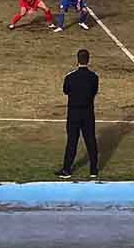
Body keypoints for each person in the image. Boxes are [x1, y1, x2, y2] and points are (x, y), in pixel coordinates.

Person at [57, 49, 99, 180]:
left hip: (74, 113)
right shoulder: (94, 77)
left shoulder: (70, 77)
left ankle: (67, 169)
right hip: (88, 113)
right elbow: (94, 92)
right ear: (88, 60)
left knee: (72, 142)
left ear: (77, 60)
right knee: (91, 140)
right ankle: (93, 170)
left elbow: (65, 91)